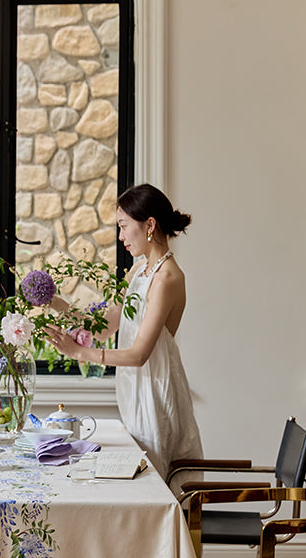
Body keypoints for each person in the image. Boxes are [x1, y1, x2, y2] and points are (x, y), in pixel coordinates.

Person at [44, 183, 202, 478]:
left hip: (155, 392)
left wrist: (78, 352)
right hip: (133, 390)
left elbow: (140, 354)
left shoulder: (168, 278)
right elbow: (102, 328)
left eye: (124, 226)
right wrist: (53, 301)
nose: (120, 236)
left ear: (149, 225)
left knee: (150, 481)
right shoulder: (137, 271)